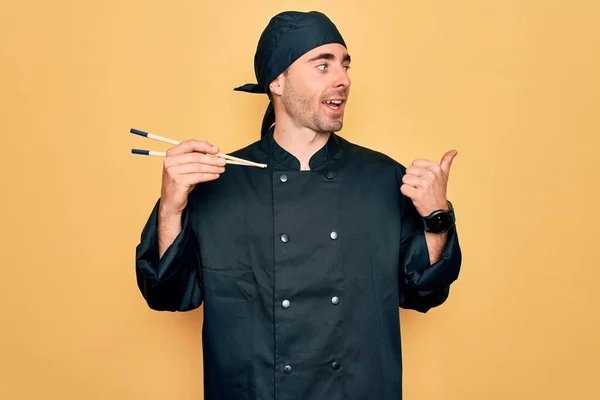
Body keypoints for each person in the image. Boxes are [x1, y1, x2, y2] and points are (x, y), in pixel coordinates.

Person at [135, 10, 462, 400]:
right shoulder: (219, 183)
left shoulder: (384, 179)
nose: (342, 78)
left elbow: (424, 294)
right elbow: (167, 295)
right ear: (277, 81)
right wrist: (171, 206)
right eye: (322, 65)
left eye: (344, 65)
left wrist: (436, 218)